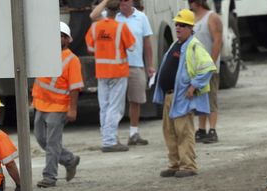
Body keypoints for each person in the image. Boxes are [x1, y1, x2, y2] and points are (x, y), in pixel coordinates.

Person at [152, 9, 216, 178]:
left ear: (190, 28)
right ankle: (174, 164)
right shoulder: (176, 44)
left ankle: (188, 165)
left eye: (182, 25)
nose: (178, 28)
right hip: (169, 96)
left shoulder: (194, 45)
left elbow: (208, 67)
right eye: (177, 24)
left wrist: (193, 86)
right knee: (170, 132)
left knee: (184, 131)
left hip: (181, 97)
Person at [91, 0, 154, 146]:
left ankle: (133, 133)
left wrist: (149, 65)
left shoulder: (141, 17)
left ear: (132, 1)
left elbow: (147, 43)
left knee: (135, 99)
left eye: (126, 0)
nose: (123, 3)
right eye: (120, 0)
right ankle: (112, 138)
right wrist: (107, 1)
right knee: (114, 105)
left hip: (135, 64)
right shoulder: (111, 16)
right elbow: (94, 15)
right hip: (117, 68)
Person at [33, 22, 84, 188]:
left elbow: (75, 87)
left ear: (68, 39)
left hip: (58, 107)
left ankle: (49, 177)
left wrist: (73, 109)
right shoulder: (45, 54)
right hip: (41, 104)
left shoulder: (72, 60)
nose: (59, 38)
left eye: (62, 36)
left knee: (52, 144)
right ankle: (69, 160)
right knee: (41, 139)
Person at [86, 0, 136, 152]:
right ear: (118, 10)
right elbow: (132, 47)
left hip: (102, 72)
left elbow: (90, 48)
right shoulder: (121, 27)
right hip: (118, 72)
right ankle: (109, 141)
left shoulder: (95, 27)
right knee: (115, 107)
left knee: (105, 107)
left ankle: (107, 137)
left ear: (105, 9)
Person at [190, 0, 222, 144]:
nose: (189, 3)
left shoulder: (211, 17)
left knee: (211, 98)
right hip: (196, 68)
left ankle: (212, 129)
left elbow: (217, 41)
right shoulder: (192, 18)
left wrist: (212, 63)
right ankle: (201, 129)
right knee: (200, 99)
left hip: (209, 67)